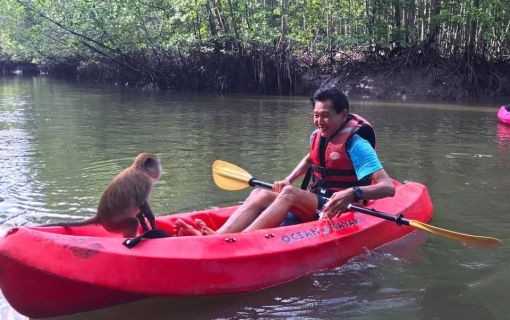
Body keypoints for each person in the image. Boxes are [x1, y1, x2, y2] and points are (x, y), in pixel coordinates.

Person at [175, 87, 395, 236]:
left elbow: (387, 188)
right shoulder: (318, 136)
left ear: (343, 114)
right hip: (318, 201)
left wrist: (352, 193)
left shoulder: (357, 144)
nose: (320, 121)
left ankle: (240, 240)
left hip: (343, 208)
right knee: (259, 193)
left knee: (288, 194)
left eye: (326, 115)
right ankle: (219, 236)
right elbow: (311, 159)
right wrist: (289, 178)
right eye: (316, 115)